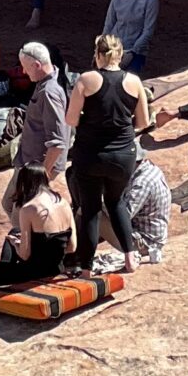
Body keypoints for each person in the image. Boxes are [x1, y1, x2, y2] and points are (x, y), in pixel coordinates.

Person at [66, 33, 152, 272]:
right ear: (121, 55)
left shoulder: (86, 79)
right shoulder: (134, 81)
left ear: (97, 55)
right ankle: (130, 257)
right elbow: (143, 122)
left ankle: (86, 267)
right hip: (123, 155)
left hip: (90, 155)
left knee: (91, 209)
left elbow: (71, 119)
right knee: (116, 202)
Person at [0, 166, 75, 287]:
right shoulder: (64, 203)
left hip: (32, 272)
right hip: (56, 268)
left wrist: (16, 244)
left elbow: (24, 255)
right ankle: (3, 270)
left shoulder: (29, 208)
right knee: (15, 231)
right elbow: (72, 247)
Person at [14, 42, 71, 193]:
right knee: (10, 202)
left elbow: (58, 142)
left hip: (38, 168)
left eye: (25, 67)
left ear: (37, 65)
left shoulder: (49, 93)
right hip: (30, 163)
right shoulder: (46, 81)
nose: (24, 72)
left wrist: (42, 175)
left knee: (17, 205)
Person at [104, 0, 160, 76]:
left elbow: (148, 30)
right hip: (114, 48)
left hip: (136, 51)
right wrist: (102, 45)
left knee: (128, 81)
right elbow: (109, 23)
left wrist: (133, 52)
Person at [125, 154, 172, 265]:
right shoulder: (151, 169)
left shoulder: (142, 183)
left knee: (95, 213)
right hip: (154, 234)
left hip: (146, 242)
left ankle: (83, 251)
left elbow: (122, 216)